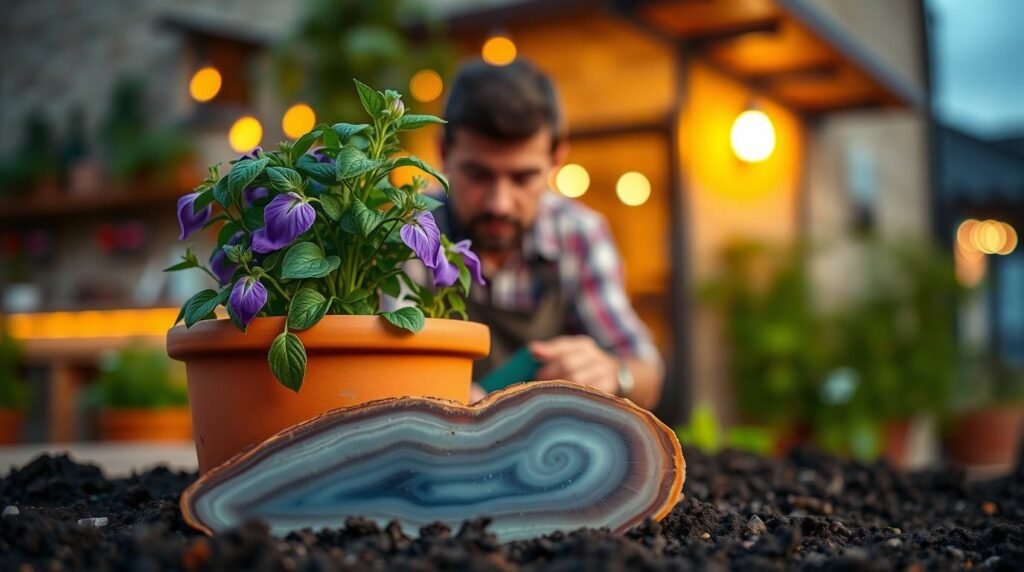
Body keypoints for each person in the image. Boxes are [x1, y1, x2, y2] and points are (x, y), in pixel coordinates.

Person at [433, 58, 664, 409]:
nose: (499, 204)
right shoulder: (408, 234)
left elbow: (647, 370)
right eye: (478, 175)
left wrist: (615, 373)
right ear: (443, 154)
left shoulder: (579, 235)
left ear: (557, 158)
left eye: (523, 178)